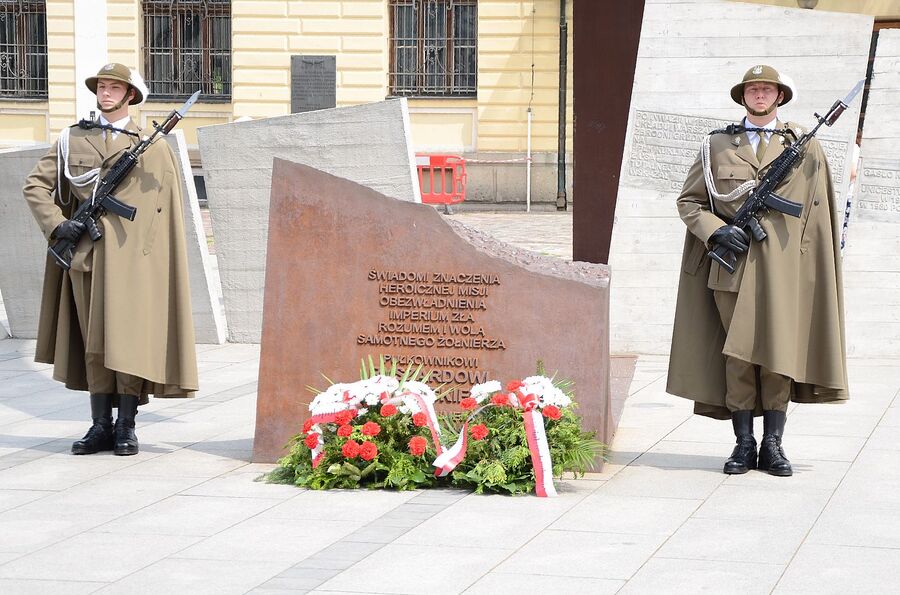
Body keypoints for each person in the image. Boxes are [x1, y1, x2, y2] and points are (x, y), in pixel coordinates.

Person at [667, 65, 849, 477]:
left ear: (780, 96)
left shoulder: (803, 145)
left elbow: (817, 213)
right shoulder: (717, 145)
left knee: (777, 357)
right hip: (732, 267)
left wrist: (809, 269)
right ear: (743, 96)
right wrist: (715, 231)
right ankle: (744, 443)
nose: (760, 95)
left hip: (783, 270)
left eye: (767, 89)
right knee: (738, 356)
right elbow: (690, 202)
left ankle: (773, 444)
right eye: (753, 89)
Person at [23, 63, 199, 456]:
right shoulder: (73, 138)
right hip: (86, 255)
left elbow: (163, 209)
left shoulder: (151, 145)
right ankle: (100, 424)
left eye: (114, 87)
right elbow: (35, 185)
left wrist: (150, 257)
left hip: (133, 262)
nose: (105, 93)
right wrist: (58, 225)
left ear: (130, 95)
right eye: (101, 86)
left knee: (129, 341)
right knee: (94, 343)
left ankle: (126, 427)